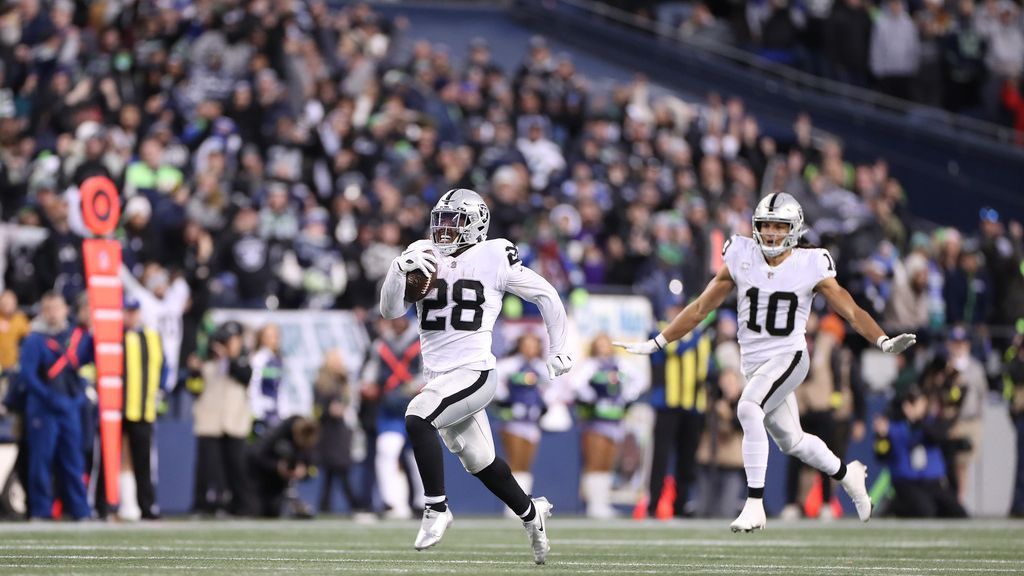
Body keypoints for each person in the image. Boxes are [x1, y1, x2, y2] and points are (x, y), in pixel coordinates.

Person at [615, 192, 916, 531]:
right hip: (755, 364)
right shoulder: (741, 254)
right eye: (766, 225)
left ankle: (754, 503)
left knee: (748, 407)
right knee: (793, 442)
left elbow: (850, 309)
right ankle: (849, 475)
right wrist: (658, 341)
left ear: (795, 228)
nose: (771, 232)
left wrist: (882, 340)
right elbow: (701, 308)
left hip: (789, 357)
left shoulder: (810, 263)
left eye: (779, 225)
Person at [379, 188, 572, 564]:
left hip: (475, 372)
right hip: (439, 377)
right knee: (480, 462)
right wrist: (397, 268)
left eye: (454, 221)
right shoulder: (423, 252)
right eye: (441, 220)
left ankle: (436, 508)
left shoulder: (494, 254)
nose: (444, 229)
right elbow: (389, 312)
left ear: (476, 224)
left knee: (418, 417)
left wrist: (558, 347)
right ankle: (532, 515)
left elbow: (546, 294)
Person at [19, 292, 93, 520]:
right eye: (48, 308)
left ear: (65, 310)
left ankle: (80, 510)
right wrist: (50, 398)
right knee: (41, 461)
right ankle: (41, 510)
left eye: (56, 308)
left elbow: (83, 366)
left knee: (73, 461)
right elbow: (28, 377)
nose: (53, 313)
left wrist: (78, 396)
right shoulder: (34, 339)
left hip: (69, 408)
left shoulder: (74, 337)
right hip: (43, 409)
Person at [360, 314, 425, 519]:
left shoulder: (421, 341)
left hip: (416, 407)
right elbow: (370, 369)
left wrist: (412, 387)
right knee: (387, 451)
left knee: (419, 456)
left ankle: (424, 502)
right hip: (389, 409)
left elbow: (429, 371)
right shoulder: (381, 344)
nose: (396, 322)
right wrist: (368, 384)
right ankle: (390, 502)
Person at [190, 321, 252, 516]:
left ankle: (239, 505)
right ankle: (203, 505)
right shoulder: (207, 362)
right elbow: (193, 388)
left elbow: (244, 376)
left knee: (236, 466)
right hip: (210, 420)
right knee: (208, 467)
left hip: (234, 421)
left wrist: (228, 357)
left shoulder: (243, 361)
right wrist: (194, 369)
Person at [574, 333, 636, 519]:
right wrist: (591, 399)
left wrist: (626, 397)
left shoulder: (620, 364)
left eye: (606, 343)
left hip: (615, 419)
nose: (603, 347)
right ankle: (594, 504)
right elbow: (576, 384)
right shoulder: (591, 365)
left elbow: (640, 380)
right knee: (595, 461)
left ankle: (602, 503)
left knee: (608, 462)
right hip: (595, 420)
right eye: (599, 344)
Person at [493, 333, 549, 518]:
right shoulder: (510, 364)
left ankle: (522, 503)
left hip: (532, 421)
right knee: (515, 462)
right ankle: (513, 505)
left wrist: (545, 404)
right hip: (513, 420)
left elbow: (557, 386)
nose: (530, 349)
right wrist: (503, 399)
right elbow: (493, 378)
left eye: (533, 345)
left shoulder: (542, 367)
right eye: (526, 344)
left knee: (526, 464)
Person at [246, 416, 320, 518]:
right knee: (255, 512)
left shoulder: (309, 438)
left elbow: (313, 469)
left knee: (274, 513)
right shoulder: (277, 432)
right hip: (258, 481)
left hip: (279, 487)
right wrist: (277, 466)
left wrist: (304, 472)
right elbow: (256, 455)